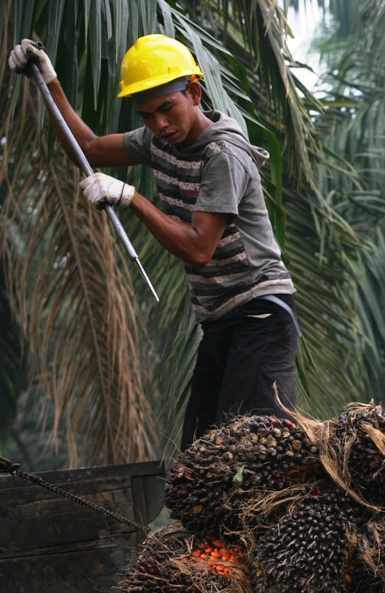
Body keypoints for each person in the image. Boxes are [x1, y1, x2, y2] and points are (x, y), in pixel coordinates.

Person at [8, 35, 300, 449]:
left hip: (261, 316)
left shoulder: (222, 155)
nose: (160, 124)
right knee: (198, 461)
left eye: (167, 108)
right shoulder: (159, 140)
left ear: (193, 92)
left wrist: (132, 199)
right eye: (147, 115)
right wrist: (49, 81)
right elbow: (88, 148)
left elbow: (199, 250)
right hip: (220, 321)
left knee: (251, 454)